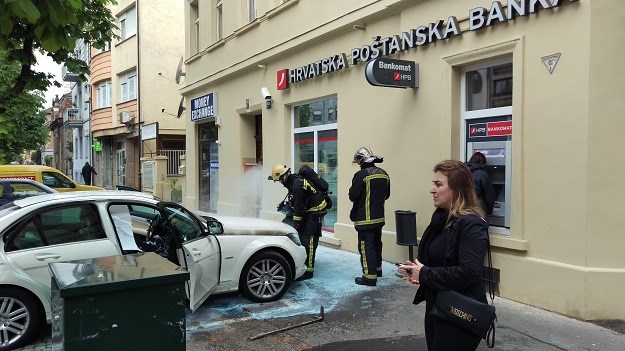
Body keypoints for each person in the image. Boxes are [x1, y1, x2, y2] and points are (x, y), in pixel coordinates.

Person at [397, 160, 488, 351]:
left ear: (457, 189)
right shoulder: (441, 219)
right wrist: (415, 271)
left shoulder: (472, 225)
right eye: (433, 184)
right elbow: (437, 261)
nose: (432, 189)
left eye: (438, 185)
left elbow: (469, 272)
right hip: (437, 305)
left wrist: (424, 274)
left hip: (459, 311)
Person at [268, 164, 328, 281]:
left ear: (284, 176)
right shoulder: (294, 181)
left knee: (309, 241)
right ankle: (301, 262)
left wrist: (296, 224)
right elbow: (298, 204)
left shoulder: (297, 185)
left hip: (315, 212)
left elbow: (299, 208)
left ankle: (309, 271)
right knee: (302, 237)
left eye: (279, 180)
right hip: (308, 210)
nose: (280, 182)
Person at [349, 147, 390, 287]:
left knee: (366, 247)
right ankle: (377, 270)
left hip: (365, 219)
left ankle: (369, 277)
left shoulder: (361, 175)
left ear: (361, 161)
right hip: (379, 218)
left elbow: (353, 196)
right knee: (377, 243)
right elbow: (387, 195)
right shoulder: (384, 174)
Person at [464, 152, 496, 216]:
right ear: (482, 163)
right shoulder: (482, 174)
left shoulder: (462, 171)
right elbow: (490, 196)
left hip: (463, 210)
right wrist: (490, 210)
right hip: (478, 212)